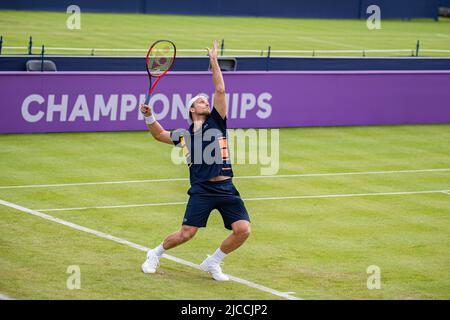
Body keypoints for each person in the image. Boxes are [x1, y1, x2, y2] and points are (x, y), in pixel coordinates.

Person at [139, 40, 251, 281]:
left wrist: (213, 62)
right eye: (201, 102)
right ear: (191, 109)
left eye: (206, 102)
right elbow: (159, 134)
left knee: (243, 230)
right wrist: (150, 116)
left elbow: (220, 90)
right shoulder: (184, 135)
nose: (206, 103)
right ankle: (154, 254)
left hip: (227, 188)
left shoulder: (217, 121)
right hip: (202, 189)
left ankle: (213, 262)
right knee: (187, 233)